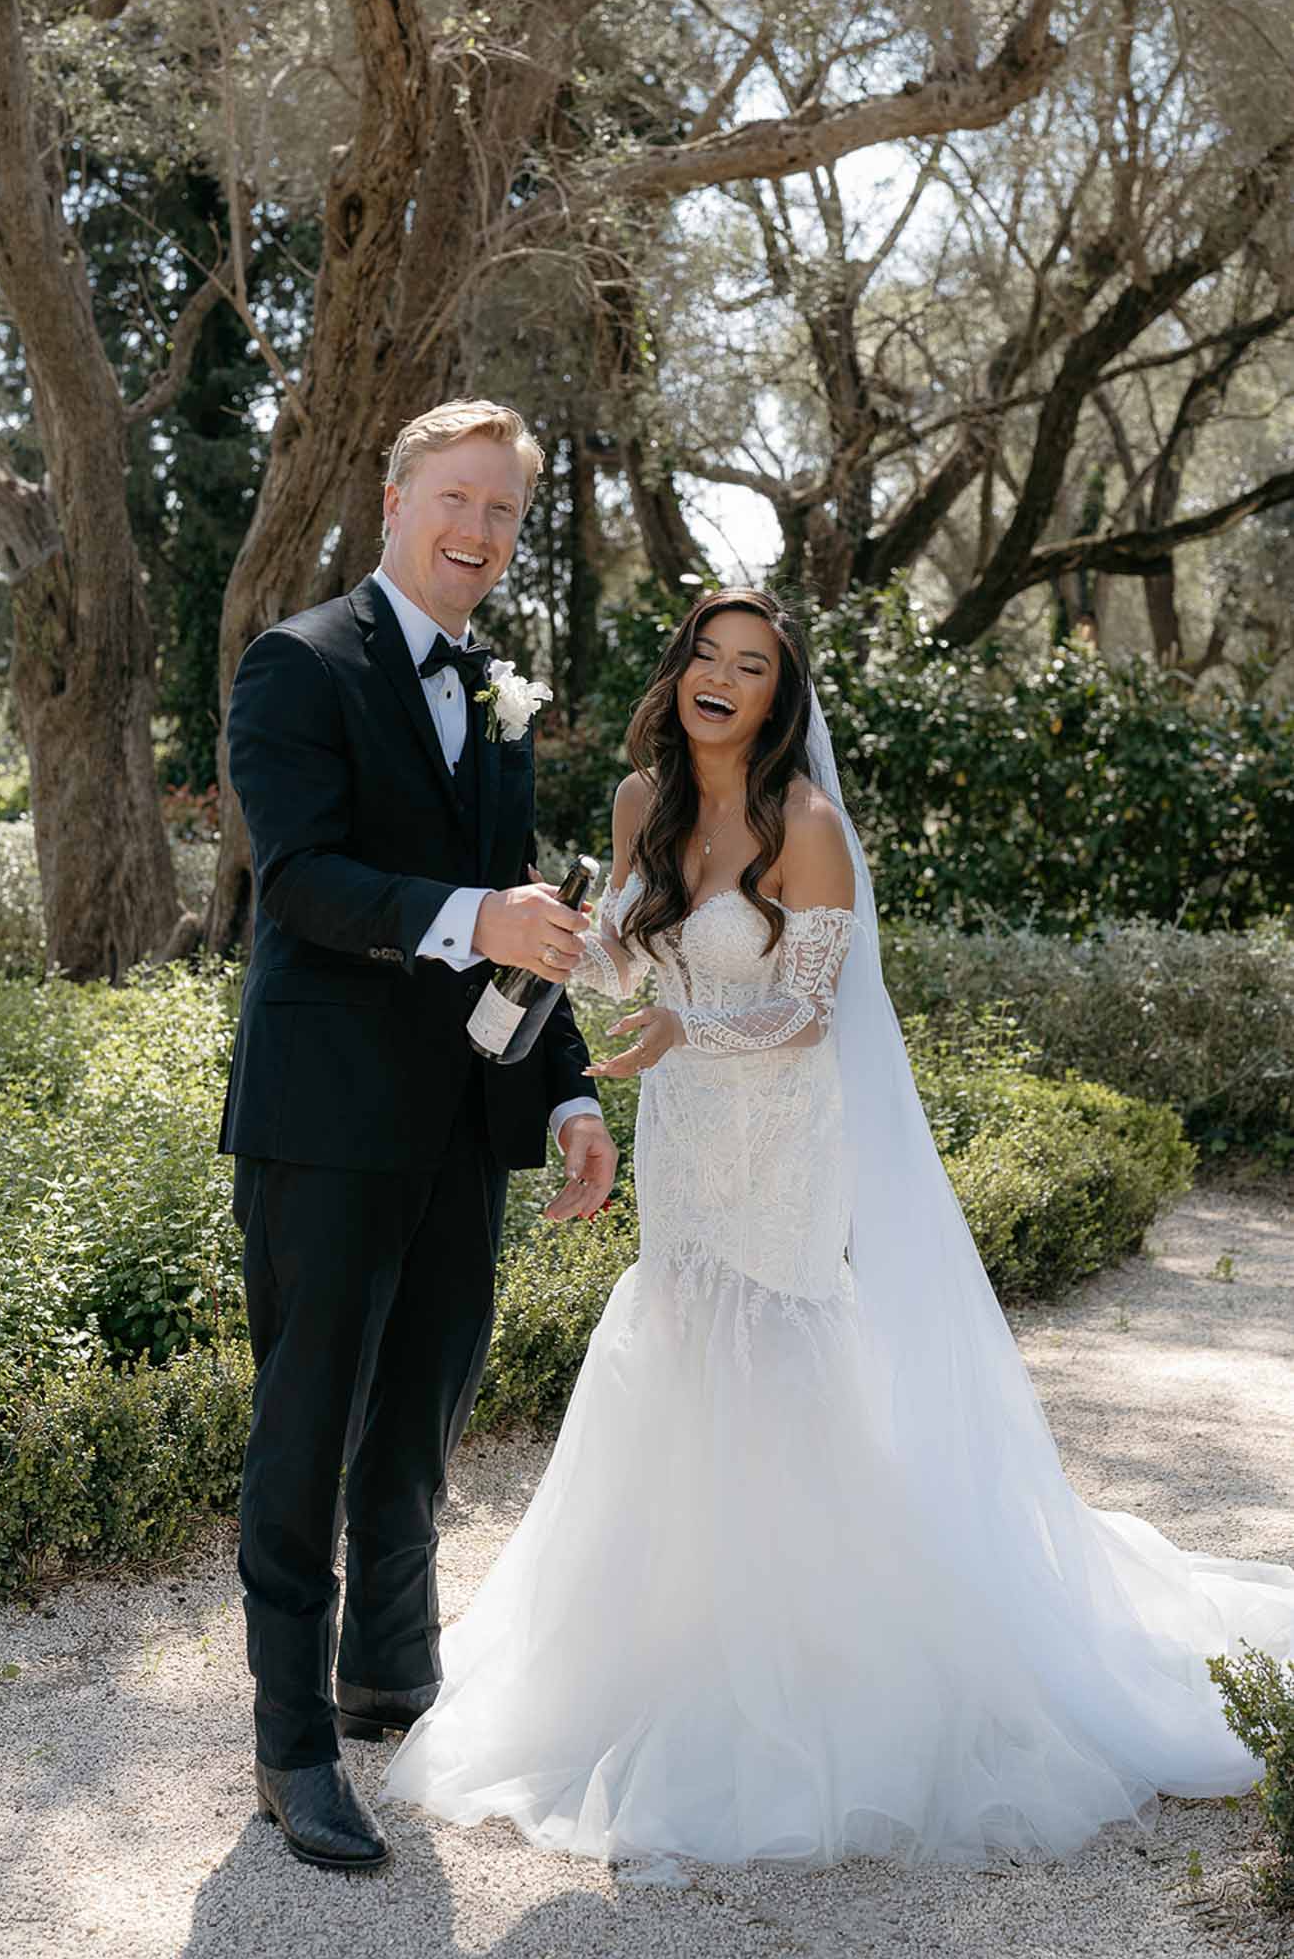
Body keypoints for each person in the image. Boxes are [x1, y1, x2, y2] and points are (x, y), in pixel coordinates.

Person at [379, 586, 1294, 1872]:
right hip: (685, 1136)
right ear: (682, 672)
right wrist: (555, 944)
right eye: (706, 652)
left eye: (750, 664)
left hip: (780, 1137)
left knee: (780, 1344)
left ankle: (808, 1659)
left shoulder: (802, 825)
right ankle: (674, 1642)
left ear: (774, 697)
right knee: (683, 1332)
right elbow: (630, 971)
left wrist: (695, 1029)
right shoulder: (640, 805)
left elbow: (810, 1015)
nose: (720, 675)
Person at [219, 398, 619, 1872]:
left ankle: (391, 1673)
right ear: (394, 502)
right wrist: (471, 917)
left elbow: (529, 912)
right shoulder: (299, 661)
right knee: (308, 1424)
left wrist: (566, 1091)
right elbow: (306, 881)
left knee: (427, 1412)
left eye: (507, 510)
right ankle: (292, 1746)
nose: (481, 531)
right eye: (459, 498)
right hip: (325, 1122)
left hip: (463, 1122)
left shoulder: (502, 685)